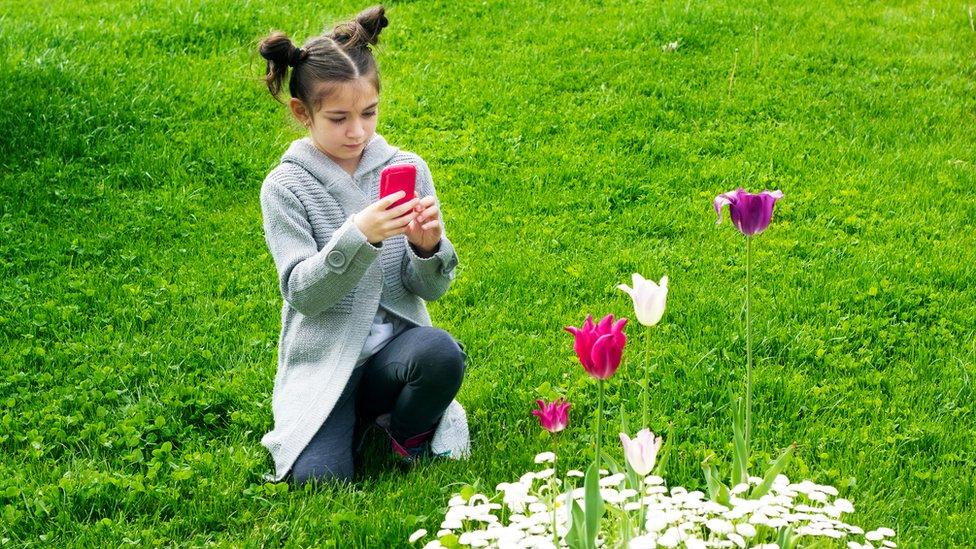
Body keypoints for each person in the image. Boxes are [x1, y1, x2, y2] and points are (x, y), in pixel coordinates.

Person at [256, 5, 470, 485]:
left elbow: (429, 291)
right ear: (301, 112)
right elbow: (302, 292)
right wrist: (359, 236)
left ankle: (404, 434)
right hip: (327, 366)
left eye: (368, 113)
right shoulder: (286, 186)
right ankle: (341, 427)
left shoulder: (407, 168)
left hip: (394, 360)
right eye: (338, 118)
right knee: (319, 480)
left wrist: (427, 248)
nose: (357, 131)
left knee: (441, 352)